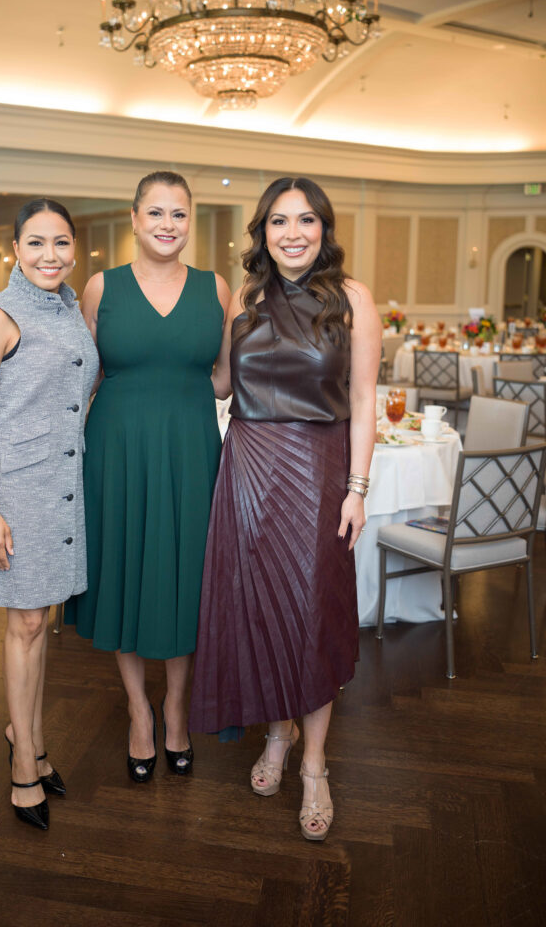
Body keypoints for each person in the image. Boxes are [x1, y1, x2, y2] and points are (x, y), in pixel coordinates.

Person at [189, 176, 381, 841]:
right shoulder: (245, 297)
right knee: (259, 613)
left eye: (306, 221)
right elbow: (218, 380)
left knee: (312, 616)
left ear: (324, 230)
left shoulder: (353, 300)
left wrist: (358, 488)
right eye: (278, 221)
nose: (293, 233)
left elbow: (363, 403)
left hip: (319, 472)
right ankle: (278, 735)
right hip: (245, 469)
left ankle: (316, 764)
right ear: (262, 232)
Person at [66, 171, 231, 781]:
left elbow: (224, 378)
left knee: (187, 578)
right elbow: (84, 379)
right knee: (129, 574)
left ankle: (177, 707)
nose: (167, 224)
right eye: (155, 212)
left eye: (179, 214)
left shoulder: (218, 289)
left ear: (192, 222)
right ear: (133, 219)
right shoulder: (99, 287)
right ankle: (139, 709)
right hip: (116, 450)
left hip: (191, 449)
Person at [0, 198, 99, 830]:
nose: (50, 256)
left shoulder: (68, 306)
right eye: (36, 243)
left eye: (61, 243)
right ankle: (22, 770)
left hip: (64, 482)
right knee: (28, 624)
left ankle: (31, 738)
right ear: (15, 248)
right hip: (15, 487)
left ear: (75, 249)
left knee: (42, 622)